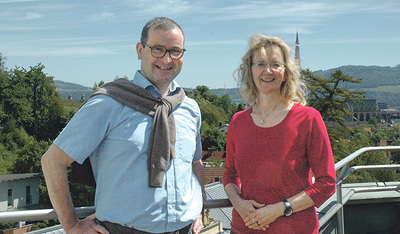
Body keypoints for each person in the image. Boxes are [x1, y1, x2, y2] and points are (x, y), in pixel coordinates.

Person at [41, 17, 204, 234]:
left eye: (176, 51)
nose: (167, 59)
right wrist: (71, 225)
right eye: (158, 49)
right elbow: (53, 161)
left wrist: (199, 207)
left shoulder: (190, 108)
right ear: (140, 50)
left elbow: (196, 163)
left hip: (186, 229)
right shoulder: (108, 102)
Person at [223, 34, 336, 233]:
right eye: (260, 64)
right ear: (250, 71)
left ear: (286, 71)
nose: (268, 71)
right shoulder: (238, 121)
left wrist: (281, 209)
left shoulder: (308, 118)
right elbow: (230, 175)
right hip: (243, 229)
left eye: (275, 64)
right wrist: (238, 203)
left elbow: (326, 183)